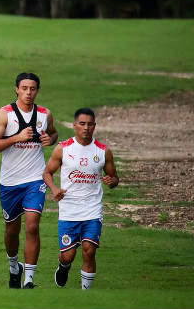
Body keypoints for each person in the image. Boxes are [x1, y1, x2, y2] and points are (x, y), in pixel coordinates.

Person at [0, 72, 57, 289]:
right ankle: (13, 265)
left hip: (35, 179)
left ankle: (28, 279)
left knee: (33, 226)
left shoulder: (45, 114)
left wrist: (50, 139)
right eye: (24, 88)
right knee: (11, 230)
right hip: (9, 182)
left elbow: (54, 134)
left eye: (33, 89)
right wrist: (17, 137)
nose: (28, 92)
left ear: (37, 90)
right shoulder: (5, 114)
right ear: (16, 89)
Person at [44, 108, 119, 290]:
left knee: (89, 250)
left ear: (94, 126)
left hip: (92, 208)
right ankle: (64, 266)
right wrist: (54, 189)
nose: (86, 128)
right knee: (68, 255)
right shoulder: (63, 148)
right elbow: (47, 173)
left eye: (90, 124)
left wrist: (111, 181)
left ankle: (86, 295)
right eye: (82, 124)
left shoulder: (103, 151)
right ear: (75, 125)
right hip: (69, 210)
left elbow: (114, 178)